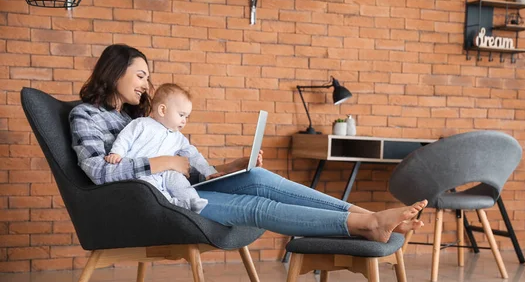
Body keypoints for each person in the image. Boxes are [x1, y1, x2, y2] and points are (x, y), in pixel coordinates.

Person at [70, 44, 426, 243]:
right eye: (141, 75)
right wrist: (164, 163)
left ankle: (373, 218)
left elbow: (186, 161)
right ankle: (368, 225)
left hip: (179, 183)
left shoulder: (140, 119)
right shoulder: (85, 116)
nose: (148, 85)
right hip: (154, 201)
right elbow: (100, 173)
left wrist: (227, 168)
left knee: (259, 179)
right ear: (115, 71)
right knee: (255, 207)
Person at [104, 83, 214, 213]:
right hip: (142, 174)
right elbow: (125, 138)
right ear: (163, 110)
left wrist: (209, 172)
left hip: (165, 173)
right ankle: (171, 205)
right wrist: (117, 152)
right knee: (151, 189)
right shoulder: (142, 124)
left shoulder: (179, 138)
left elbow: (194, 156)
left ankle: (192, 201)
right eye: (181, 115)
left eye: (186, 117)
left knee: (178, 179)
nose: (185, 121)